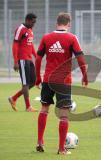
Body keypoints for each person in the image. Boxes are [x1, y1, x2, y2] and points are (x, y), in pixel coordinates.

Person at [35, 12, 88, 155]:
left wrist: (37, 77)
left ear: (56, 22)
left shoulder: (46, 37)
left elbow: (38, 58)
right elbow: (81, 59)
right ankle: (61, 148)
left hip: (47, 79)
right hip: (63, 81)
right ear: (69, 24)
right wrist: (85, 75)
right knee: (64, 115)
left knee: (44, 109)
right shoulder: (71, 38)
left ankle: (40, 141)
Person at [8, 13, 38, 112]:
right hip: (22, 60)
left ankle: (14, 98)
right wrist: (15, 61)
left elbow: (30, 44)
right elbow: (15, 45)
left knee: (33, 82)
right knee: (25, 84)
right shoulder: (20, 29)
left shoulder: (30, 30)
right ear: (28, 20)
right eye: (33, 22)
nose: (34, 24)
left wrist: (36, 56)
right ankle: (28, 107)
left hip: (29, 60)